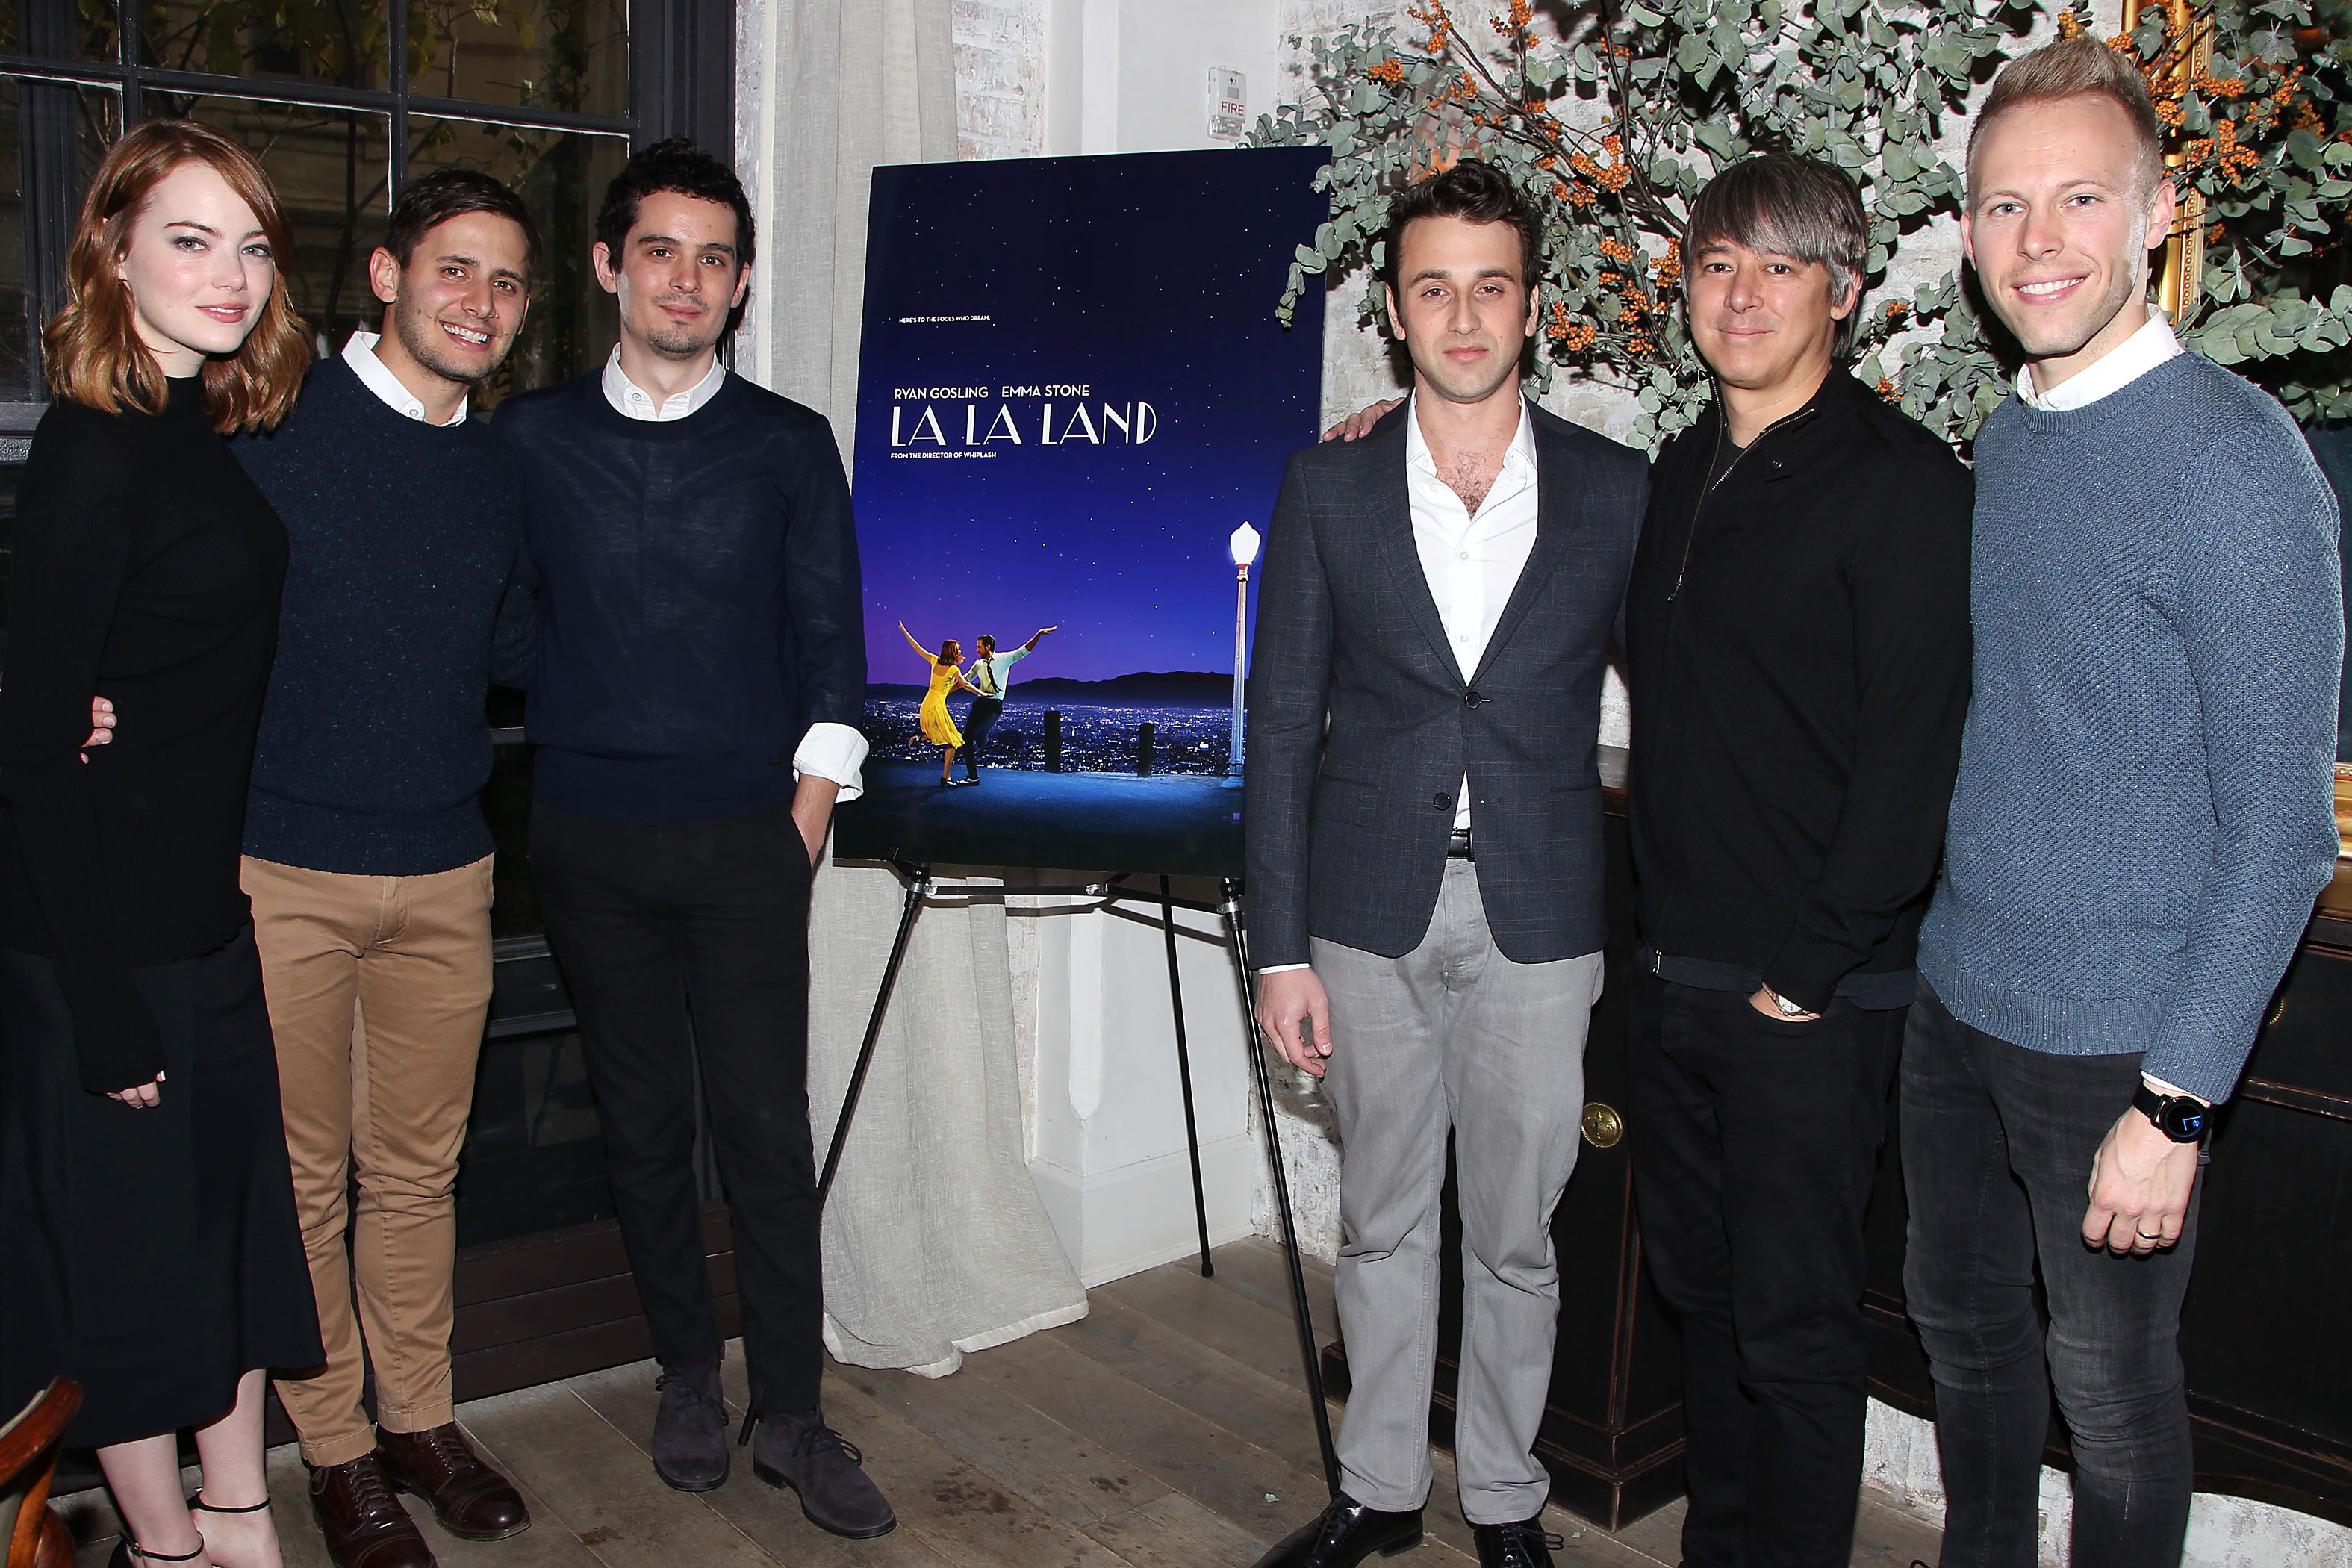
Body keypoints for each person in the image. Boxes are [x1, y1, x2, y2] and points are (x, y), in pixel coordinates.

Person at [1906, 36, 2341, 1568]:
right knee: (1965, 1343)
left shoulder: (2237, 469)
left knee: (2115, 1404)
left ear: (2157, 215)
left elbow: (2285, 838)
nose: (2040, 240)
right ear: (1969, 235)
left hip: (2118, 1048)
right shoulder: (2014, 432)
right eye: (2006, 205)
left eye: (2081, 198)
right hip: (1957, 1000)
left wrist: (2175, 1105)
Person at [1246, 158, 1648, 1568]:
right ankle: (1375, 1491)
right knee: (1379, 1219)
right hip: (1362, 912)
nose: (1464, 317)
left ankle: (1503, 1500)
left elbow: (1681, 698)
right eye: (1434, 289)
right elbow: (1280, 724)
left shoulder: (1616, 491)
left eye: (1490, 288)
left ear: (1531, 307)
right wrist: (1277, 947)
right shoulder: (1329, 485)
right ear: (1396, 314)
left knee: (1517, 1236)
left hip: (1543, 911)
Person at [494, 138, 893, 1539]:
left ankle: (790, 1415)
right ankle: (683, 1375)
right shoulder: (531, 441)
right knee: (645, 1130)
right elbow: (491, 624)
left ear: (740, 284)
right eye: (660, 251)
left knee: (766, 1138)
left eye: (714, 258)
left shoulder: (787, 445)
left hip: (744, 847)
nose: (686, 279)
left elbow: (834, 655)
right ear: (611, 265)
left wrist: (800, 826)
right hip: (588, 840)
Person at [1617, 155, 1970, 1568]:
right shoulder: (1676, 472)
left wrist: (1803, 980)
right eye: (1717, 265)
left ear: (1842, 291)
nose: (1743, 295)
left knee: (1798, 1332)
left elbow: (1912, 764)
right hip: (1674, 975)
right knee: (1703, 1303)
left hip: (1809, 998)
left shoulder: (1904, 486)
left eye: (1779, 266)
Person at [0, 119, 320, 1568]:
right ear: (112, 254)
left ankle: (240, 1508)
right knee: (130, 1278)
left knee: (229, 1243)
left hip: (201, 912)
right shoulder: (92, 447)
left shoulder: (193, 426)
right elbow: (33, 742)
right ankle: (167, 1550)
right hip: (100, 941)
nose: (229, 274)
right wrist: (104, 1003)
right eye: (189, 241)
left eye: (250, 246)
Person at [232, 169, 539, 1568]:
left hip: (447, 866)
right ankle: (337, 1454)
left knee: (417, 1174)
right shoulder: (272, 425)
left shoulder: (501, 469)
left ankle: (419, 1421)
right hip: (280, 868)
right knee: (301, 1185)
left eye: (508, 281)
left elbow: (523, 650)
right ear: (387, 275)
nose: (481, 302)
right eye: (455, 269)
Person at [953, 626, 1056, 781]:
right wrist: (946, 691)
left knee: (979, 735)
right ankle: (973, 776)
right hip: (980, 703)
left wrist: (1039, 634)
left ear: (988, 647)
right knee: (966, 739)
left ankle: (982, 742)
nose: (977, 650)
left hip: (994, 706)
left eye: (979, 647)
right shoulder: (978, 665)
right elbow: (965, 680)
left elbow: (1024, 651)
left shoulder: (1004, 659)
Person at [896, 622, 986, 785]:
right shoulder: (953, 670)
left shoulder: (934, 661)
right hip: (937, 705)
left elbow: (917, 647)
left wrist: (904, 631)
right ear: (952, 651)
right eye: (958, 649)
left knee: (937, 734)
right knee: (953, 742)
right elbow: (965, 685)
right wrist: (981, 693)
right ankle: (946, 777)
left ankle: (919, 736)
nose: (960, 651)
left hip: (927, 703)